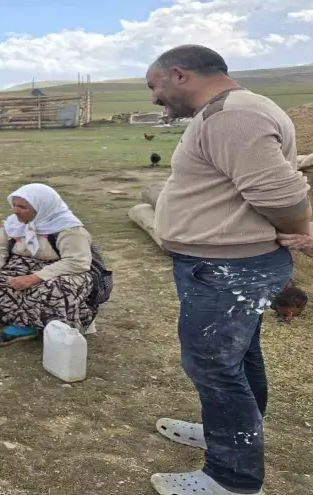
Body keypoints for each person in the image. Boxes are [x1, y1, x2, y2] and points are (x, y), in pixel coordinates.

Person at [146, 45, 311, 495]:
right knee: (238, 357)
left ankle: (232, 478)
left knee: (214, 366)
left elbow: (281, 196)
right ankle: (227, 432)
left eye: (154, 87)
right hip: (227, 266)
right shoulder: (232, 110)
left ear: (179, 75)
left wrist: (300, 231)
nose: (153, 99)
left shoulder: (231, 116)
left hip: (228, 268)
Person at [0, 183, 108, 344]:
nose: (15, 210)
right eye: (14, 205)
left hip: (65, 270)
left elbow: (77, 262)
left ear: (40, 208)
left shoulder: (69, 229)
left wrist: (35, 277)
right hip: (24, 265)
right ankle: (14, 319)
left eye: (22, 207)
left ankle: (43, 326)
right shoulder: (13, 223)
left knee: (55, 289)